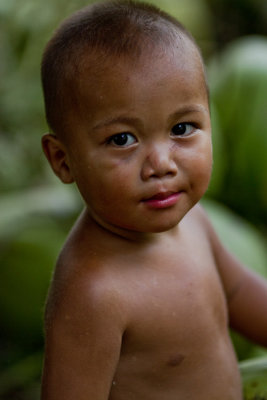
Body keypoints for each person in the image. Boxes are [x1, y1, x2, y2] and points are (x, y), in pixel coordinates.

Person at [40, 1, 267, 399]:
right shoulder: (96, 291)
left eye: (182, 128)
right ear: (63, 159)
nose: (161, 164)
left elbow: (238, 295)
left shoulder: (194, 223)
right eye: (122, 139)